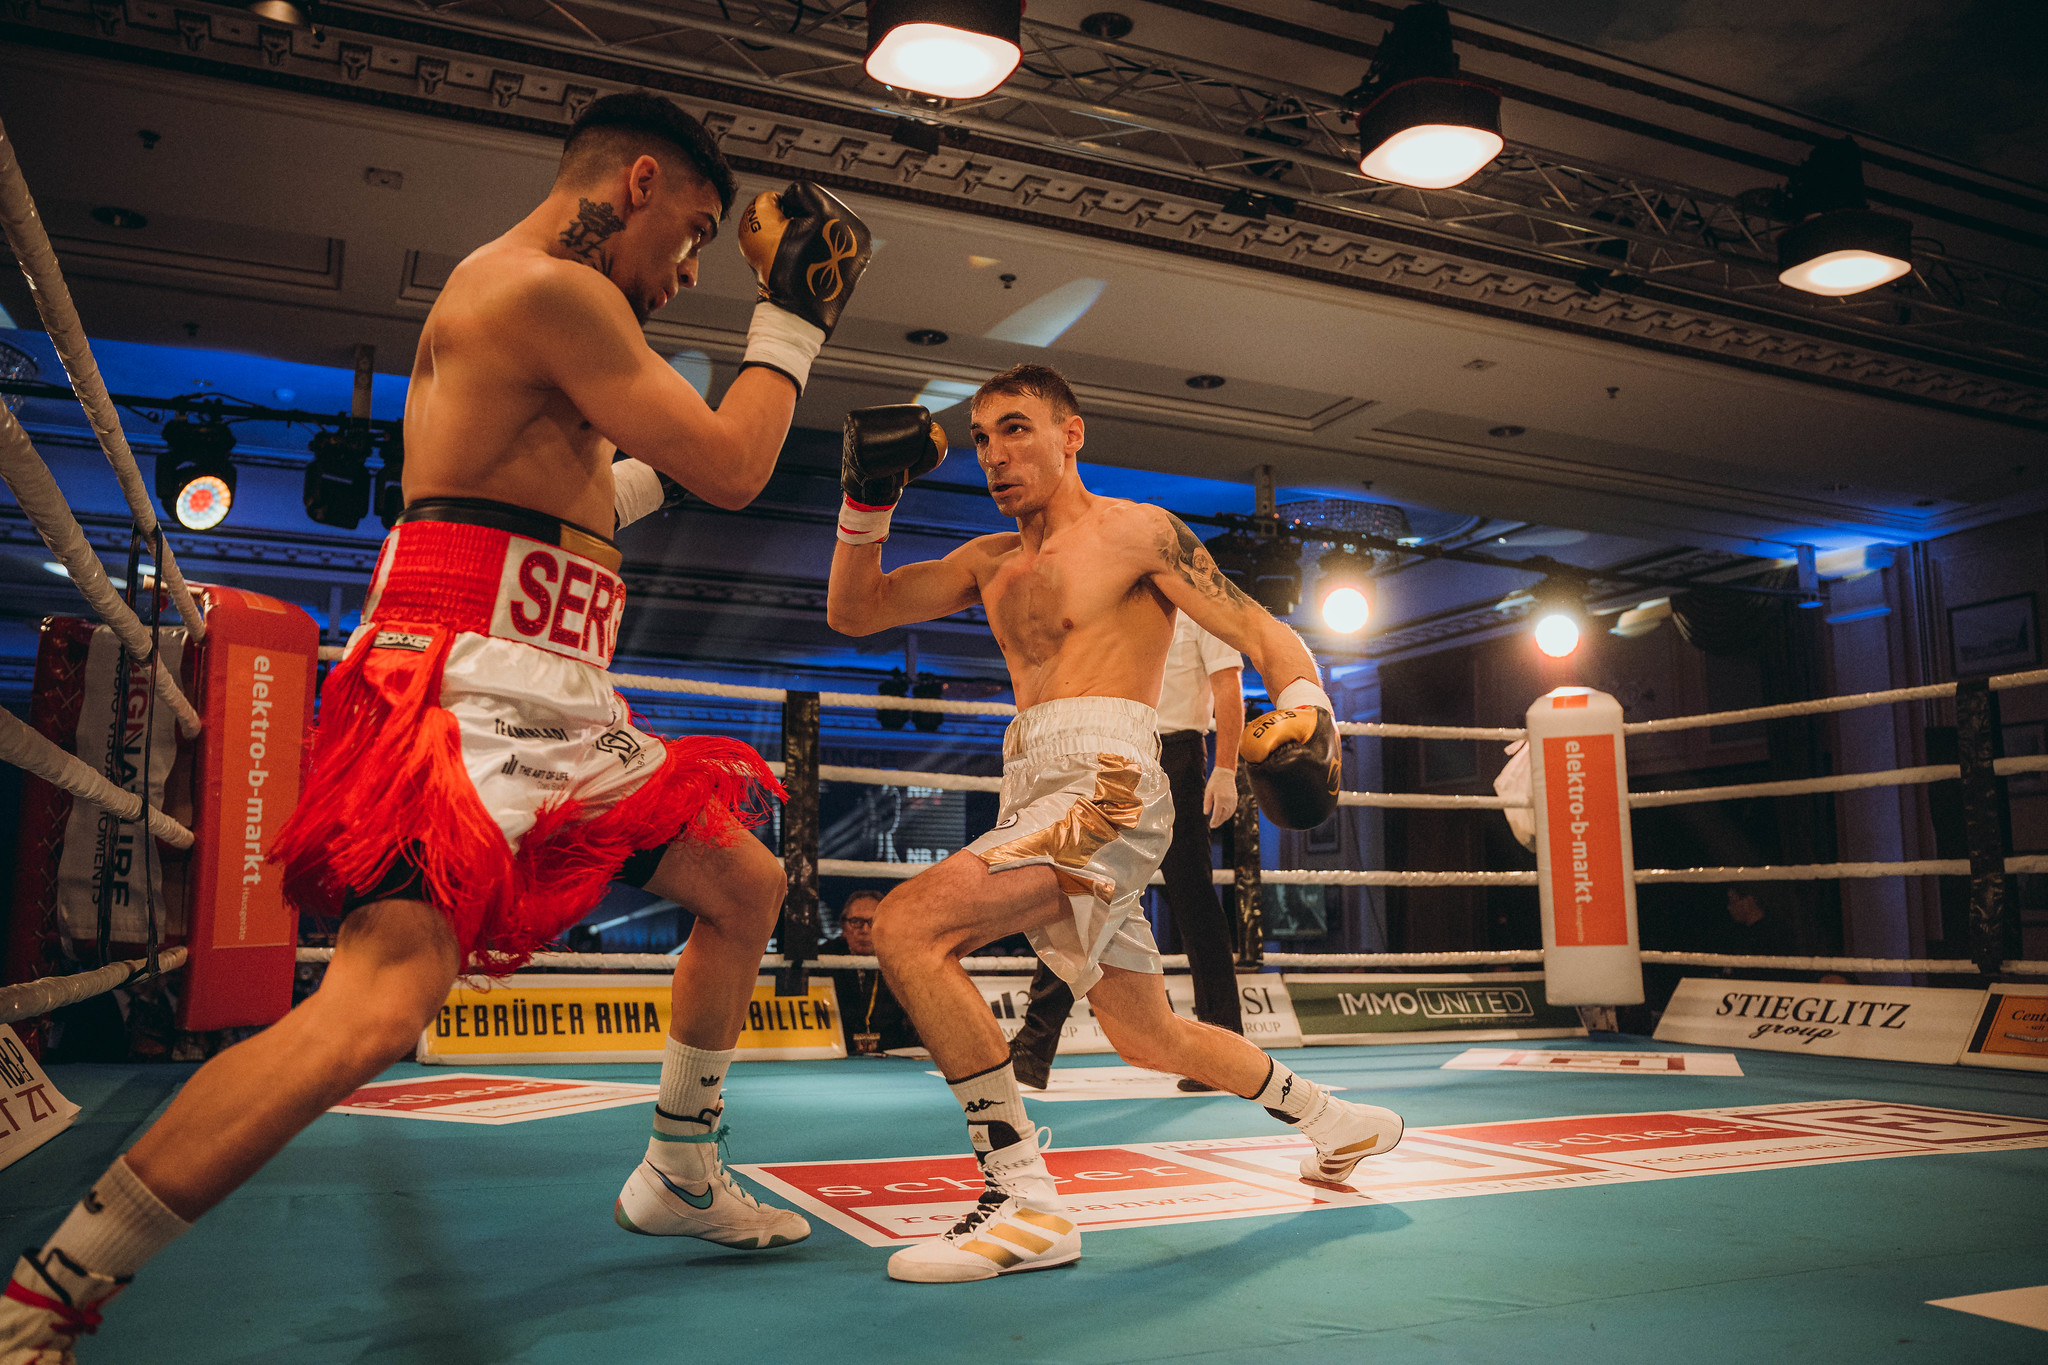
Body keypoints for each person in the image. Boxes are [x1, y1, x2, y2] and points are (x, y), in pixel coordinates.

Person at [2, 91, 872, 1360]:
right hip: (463, 695)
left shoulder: (547, 316)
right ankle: (53, 1288)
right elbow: (736, 467)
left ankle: (679, 1170)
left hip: (558, 685)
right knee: (377, 1006)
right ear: (636, 183)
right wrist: (793, 317)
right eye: (689, 234)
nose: (688, 274)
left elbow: (555, 500)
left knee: (741, 883)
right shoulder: (542, 288)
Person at [825, 365, 1403, 1284]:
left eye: (1016, 429)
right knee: (1148, 1034)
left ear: (1071, 434)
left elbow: (1260, 630)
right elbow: (855, 610)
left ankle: (1023, 1200)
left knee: (906, 924)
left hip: (1110, 786)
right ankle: (1343, 1123)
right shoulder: (989, 564)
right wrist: (865, 502)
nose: (996, 454)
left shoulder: (1135, 532)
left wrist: (1307, 703)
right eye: (980, 438)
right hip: (1033, 784)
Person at [1008, 614, 1246, 1092]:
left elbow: (1228, 688)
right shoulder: (1120, 604)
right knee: (1082, 885)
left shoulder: (1204, 608)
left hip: (1178, 752)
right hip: (1119, 751)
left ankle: (1225, 1045)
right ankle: (1033, 1048)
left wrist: (1225, 769)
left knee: (1193, 897)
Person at [818, 890, 920, 1054]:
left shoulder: (903, 960)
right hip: (837, 1053)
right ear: (844, 927)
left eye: (873, 922)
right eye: (856, 922)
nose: (865, 930)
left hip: (893, 1055)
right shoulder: (823, 959)